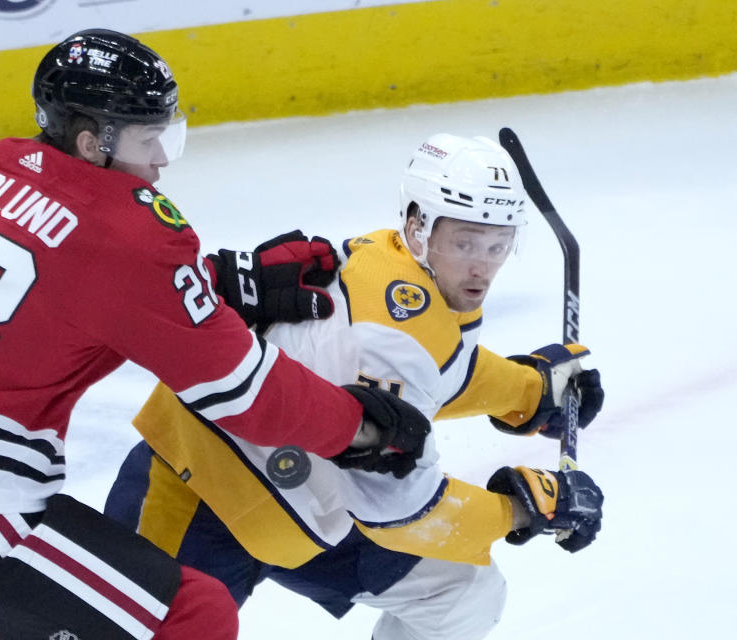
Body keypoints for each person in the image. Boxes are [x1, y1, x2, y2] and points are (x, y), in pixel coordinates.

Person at [0, 29, 433, 640]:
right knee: (190, 615)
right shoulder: (130, 231)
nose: (160, 157)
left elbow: (76, 293)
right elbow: (245, 396)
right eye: (147, 137)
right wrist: (364, 427)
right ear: (91, 140)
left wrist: (215, 283)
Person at [104, 133, 606, 640]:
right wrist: (522, 509)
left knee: (462, 593)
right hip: (202, 492)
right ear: (418, 225)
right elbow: (402, 511)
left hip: (314, 508)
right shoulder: (390, 334)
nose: (482, 266)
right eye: (466, 242)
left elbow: (438, 373)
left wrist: (528, 393)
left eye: (497, 245)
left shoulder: (410, 272)